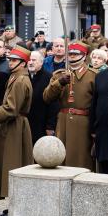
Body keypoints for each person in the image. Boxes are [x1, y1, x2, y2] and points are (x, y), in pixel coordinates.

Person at [0, 45, 33, 216]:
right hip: (11, 125)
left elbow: (11, 108)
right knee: (9, 165)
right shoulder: (15, 77)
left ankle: (16, 209)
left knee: (13, 164)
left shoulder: (20, 81)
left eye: (14, 60)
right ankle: (13, 207)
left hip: (15, 126)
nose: (10, 62)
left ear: (23, 62)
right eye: (10, 59)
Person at [43, 41, 96, 171]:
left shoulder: (93, 75)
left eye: (75, 53)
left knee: (82, 160)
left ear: (84, 55)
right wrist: (59, 83)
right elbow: (47, 97)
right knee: (61, 160)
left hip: (83, 123)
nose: (72, 56)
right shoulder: (59, 74)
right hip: (63, 121)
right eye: (70, 53)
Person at [27, 51, 59, 145]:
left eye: (34, 60)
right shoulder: (23, 76)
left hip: (42, 125)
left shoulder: (49, 78)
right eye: (29, 60)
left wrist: (50, 126)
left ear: (41, 62)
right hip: (26, 123)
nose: (31, 62)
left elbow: (53, 104)